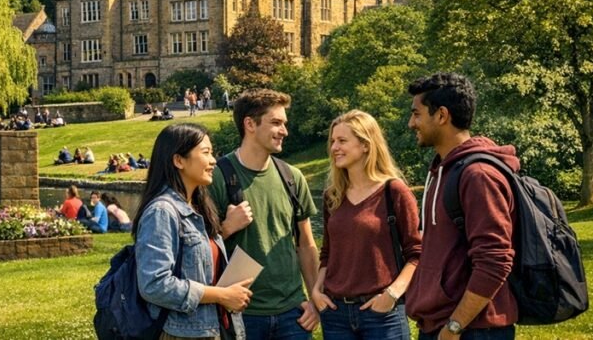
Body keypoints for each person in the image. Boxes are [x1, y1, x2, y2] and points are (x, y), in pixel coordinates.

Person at [405, 73, 518, 340]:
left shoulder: (478, 175)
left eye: (417, 114)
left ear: (442, 115)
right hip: (441, 324)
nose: (411, 123)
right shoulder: (442, 170)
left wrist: (455, 326)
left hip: (473, 330)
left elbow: (495, 260)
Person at [209, 89, 320, 340]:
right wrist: (226, 228)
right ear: (249, 124)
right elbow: (197, 248)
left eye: (284, 124)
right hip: (240, 313)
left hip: (293, 314)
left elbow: (306, 244)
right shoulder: (217, 176)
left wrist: (314, 298)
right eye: (276, 123)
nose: (285, 131)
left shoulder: (292, 177)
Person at [311, 110, 421, 340]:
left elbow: (417, 253)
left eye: (342, 141)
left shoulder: (394, 191)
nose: (334, 148)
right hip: (335, 314)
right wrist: (316, 290)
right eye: (332, 141)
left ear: (365, 145)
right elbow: (328, 253)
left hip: (382, 315)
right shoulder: (333, 196)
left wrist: (392, 294)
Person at [135, 123, 251, 339]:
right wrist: (221, 295)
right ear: (179, 160)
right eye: (206, 153)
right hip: (180, 333)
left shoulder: (198, 208)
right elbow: (154, 284)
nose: (214, 160)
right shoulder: (162, 211)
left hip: (212, 328)